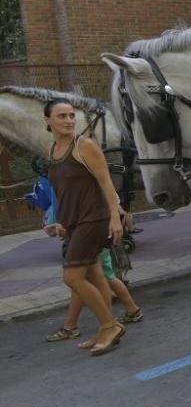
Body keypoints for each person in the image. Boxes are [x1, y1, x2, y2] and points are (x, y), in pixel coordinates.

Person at [42, 98, 126, 355]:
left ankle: (110, 326)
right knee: (93, 274)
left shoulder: (85, 145)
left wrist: (115, 216)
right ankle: (104, 329)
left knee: (72, 277)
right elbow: (64, 191)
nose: (68, 120)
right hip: (75, 221)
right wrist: (61, 222)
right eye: (61, 116)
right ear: (48, 121)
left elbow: (106, 183)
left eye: (71, 115)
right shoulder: (52, 150)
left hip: (95, 218)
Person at [46, 248, 143, 341]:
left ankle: (107, 324)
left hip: (90, 244)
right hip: (92, 243)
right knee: (98, 279)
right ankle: (126, 313)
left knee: (89, 280)